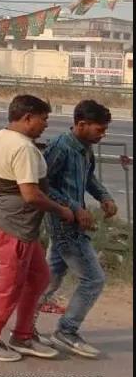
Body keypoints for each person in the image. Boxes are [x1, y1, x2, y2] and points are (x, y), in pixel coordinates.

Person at [0, 94, 74, 362]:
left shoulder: (1, 136)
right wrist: (61, 210)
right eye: (43, 119)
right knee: (8, 286)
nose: (46, 125)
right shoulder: (23, 148)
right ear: (28, 117)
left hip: (16, 224)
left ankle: (23, 335)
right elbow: (31, 194)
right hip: (15, 226)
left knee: (39, 277)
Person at [38, 100, 118, 358]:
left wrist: (104, 196)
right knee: (93, 279)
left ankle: (24, 328)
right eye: (99, 129)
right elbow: (43, 185)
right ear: (82, 124)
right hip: (64, 223)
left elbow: (88, 177)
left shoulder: (85, 148)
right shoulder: (60, 146)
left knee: (49, 278)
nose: (103, 135)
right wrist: (73, 207)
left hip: (72, 223)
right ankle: (67, 331)